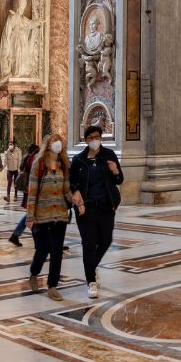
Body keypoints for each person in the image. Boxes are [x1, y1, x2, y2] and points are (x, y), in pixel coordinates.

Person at [68, 125, 123, 300]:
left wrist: (115, 171)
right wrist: (76, 192)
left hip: (106, 206)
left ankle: (92, 266)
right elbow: (71, 182)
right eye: (91, 137)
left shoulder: (109, 155)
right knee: (89, 244)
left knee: (106, 240)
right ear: (86, 140)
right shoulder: (78, 160)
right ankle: (91, 281)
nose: (95, 139)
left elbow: (119, 179)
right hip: (87, 208)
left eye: (97, 136)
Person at [25, 134, 75, 301]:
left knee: (57, 252)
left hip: (60, 215)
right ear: (48, 144)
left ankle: (52, 286)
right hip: (41, 215)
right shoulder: (39, 164)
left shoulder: (64, 165)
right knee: (42, 249)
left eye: (59, 141)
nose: (57, 144)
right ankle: (34, 273)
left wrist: (77, 201)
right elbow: (32, 192)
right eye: (54, 141)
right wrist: (30, 217)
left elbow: (66, 190)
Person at [8, 144, 40, 246]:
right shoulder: (35, 157)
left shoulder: (28, 157)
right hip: (33, 189)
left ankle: (16, 235)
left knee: (32, 215)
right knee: (33, 215)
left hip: (30, 189)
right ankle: (39, 242)